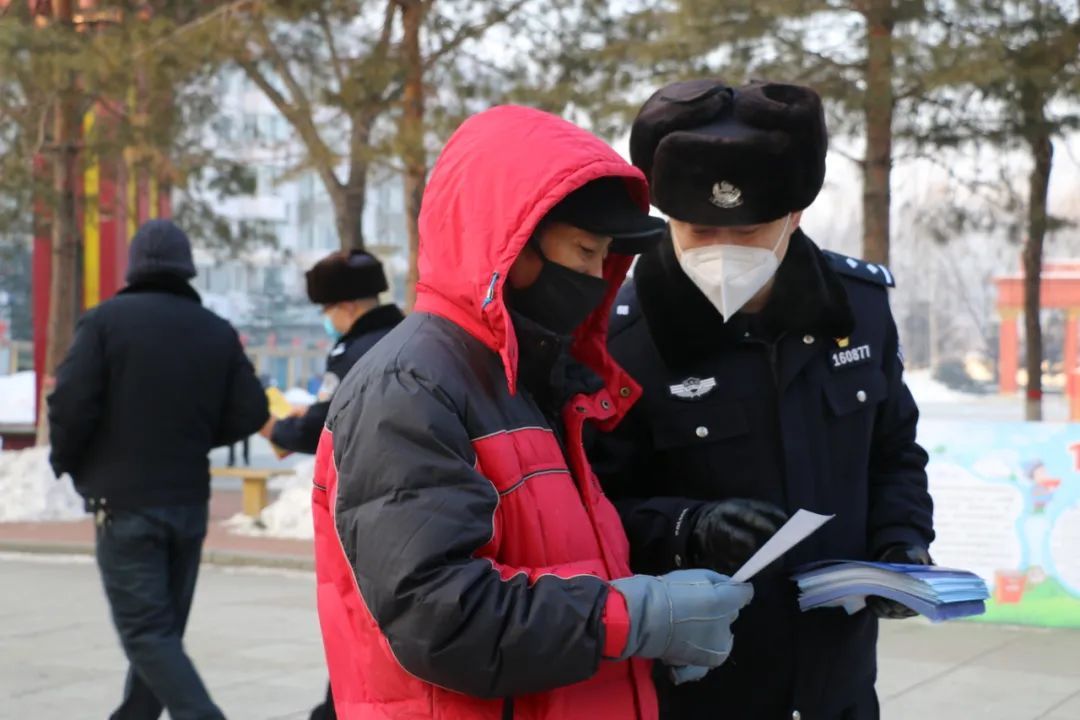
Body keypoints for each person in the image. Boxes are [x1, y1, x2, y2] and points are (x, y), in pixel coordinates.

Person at [310, 105, 756, 720]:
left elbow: (561, 562)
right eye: (583, 251)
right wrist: (639, 618)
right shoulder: (411, 386)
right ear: (512, 241)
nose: (599, 278)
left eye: (607, 258)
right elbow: (439, 615)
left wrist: (660, 618)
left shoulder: (530, 379)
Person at [589, 79, 936, 720]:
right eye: (697, 229)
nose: (724, 251)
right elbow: (586, 509)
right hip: (697, 688)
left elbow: (893, 451)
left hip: (837, 680)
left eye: (750, 230)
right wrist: (686, 529)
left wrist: (901, 546)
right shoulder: (619, 338)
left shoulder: (857, 310)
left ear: (795, 215)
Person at [48, 219, 269, 720]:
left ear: (133, 268)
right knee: (160, 632)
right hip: (189, 502)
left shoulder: (103, 323)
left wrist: (67, 459)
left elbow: (70, 404)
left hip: (124, 503)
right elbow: (252, 410)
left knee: (147, 634)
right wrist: (195, 436)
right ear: (186, 268)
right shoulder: (214, 331)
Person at [260, 248, 404, 720]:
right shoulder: (405, 335)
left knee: (359, 625)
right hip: (404, 501)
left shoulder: (352, 353)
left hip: (368, 502)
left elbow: (323, 424)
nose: (327, 320)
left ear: (346, 307)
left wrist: (277, 429)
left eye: (326, 311)